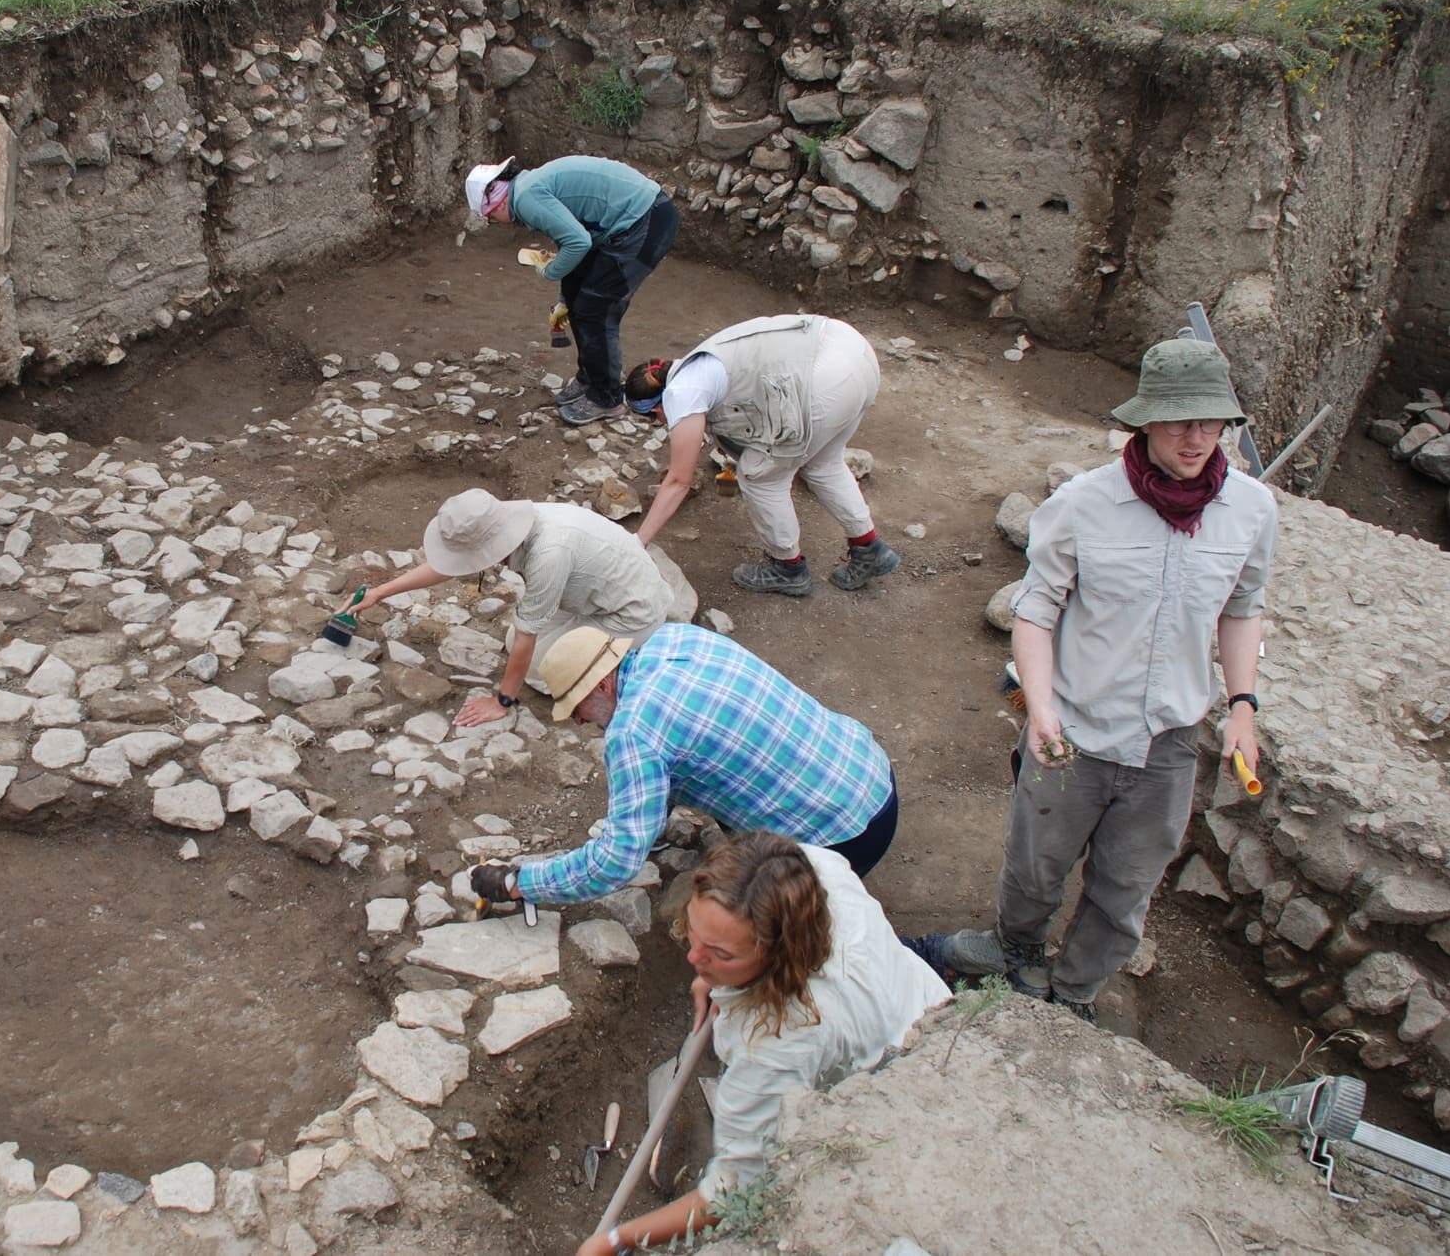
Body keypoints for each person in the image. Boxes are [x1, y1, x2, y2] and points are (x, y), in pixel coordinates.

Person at [908, 337, 1276, 1023]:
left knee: (1127, 886)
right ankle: (1015, 952)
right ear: (1145, 421)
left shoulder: (1252, 512)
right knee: (1035, 864)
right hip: (1072, 728)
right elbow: (1037, 609)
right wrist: (1040, 708)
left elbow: (1243, 607)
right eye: (1178, 420)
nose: (1196, 437)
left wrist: (1245, 707)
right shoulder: (1084, 504)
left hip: (1167, 741)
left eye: (1210, 421)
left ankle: (1073, 993)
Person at [573, 831, 948, 1256]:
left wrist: (614, 1240)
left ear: (778, 955)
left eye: (722, 954)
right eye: (696, 933)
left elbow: (731, 1193)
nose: (694, 957)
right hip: (920, 999)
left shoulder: (776, 1043)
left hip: (902, 1081)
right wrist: (715, 975)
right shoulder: (808, 868)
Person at [469, 623, 900, 911]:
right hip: (871, 774)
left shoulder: (634, 732)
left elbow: (614, 864)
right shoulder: (676, 638)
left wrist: (518, 883)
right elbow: (687, 742)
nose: (579, 721)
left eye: (576, 706)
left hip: (844, 839)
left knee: (750, 934)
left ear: (602, 683)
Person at [335, 489, 675, 728]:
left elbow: (529, 632)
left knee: (546, 675)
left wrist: (501, 702)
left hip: (630, 610)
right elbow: (448, 565)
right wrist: (380, 592)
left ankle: (635, 662)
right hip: (585, 594)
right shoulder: (511, 521)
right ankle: (608, 652)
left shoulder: (549, 553)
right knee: (516, 648)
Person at [625, 314, 901, 597]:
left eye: (654, 419)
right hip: (851, 350)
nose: (661, 425)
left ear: (657, 406)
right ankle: (869, 548)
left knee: (760, 477)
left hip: (824, 380)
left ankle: (788, 568)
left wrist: (637, 543)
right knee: (822, 463)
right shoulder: (697, 364)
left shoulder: (681, 394)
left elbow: (679, 481)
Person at [465, 154, 679, 427]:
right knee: (579, 301)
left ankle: (607, 398)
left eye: (491, 217)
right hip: (630, 222)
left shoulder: (527, 199)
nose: (496, 222)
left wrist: (548, 272)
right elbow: (577, 246)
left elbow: (577, 242)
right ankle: (590, 377)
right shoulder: (528, 187)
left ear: (498, 203)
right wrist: (565, 298)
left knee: (595, 311)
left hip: (645, 223)